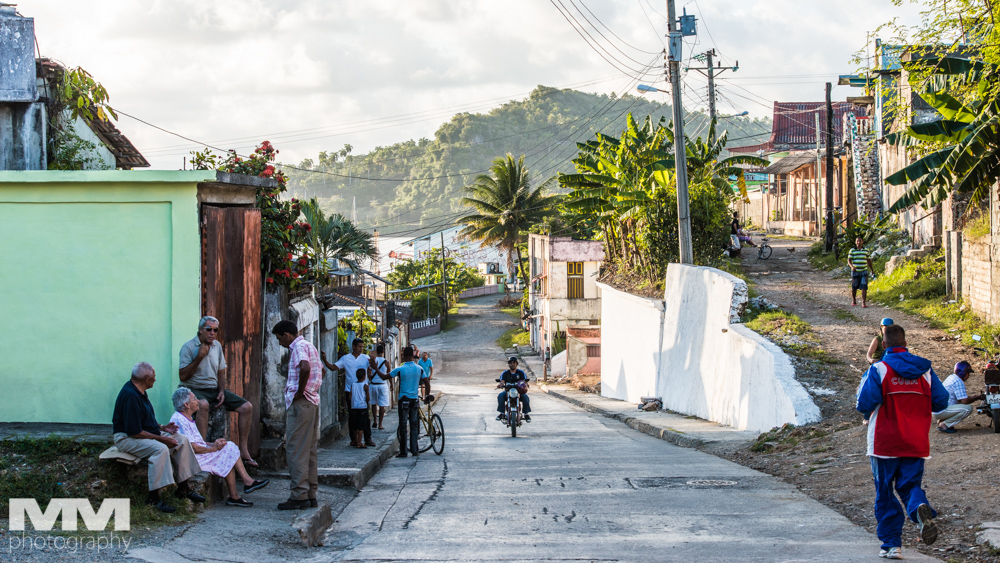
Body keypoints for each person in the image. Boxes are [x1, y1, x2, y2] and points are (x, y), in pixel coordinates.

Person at [856, 324, 949, 559]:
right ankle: (918, 510)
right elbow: (941, 402)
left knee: (885, 492)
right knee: (909, 487)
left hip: (883, 443)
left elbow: (864, 404)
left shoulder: (879, 369)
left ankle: (891, 545)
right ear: (906, 343)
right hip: (915, 442)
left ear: (884, 345)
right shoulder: (925, 371)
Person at [112, 362, 204, 513]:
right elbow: (134, 431)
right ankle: (153, 499)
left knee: (181, 439)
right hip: (126, 438)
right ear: (146, 378)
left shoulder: (140, 391)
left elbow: (144, 420)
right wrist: (162, 438)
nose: (155, 379)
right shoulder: (130, 395)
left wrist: (163, 428)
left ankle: (183, 488)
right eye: (153, 376)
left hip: (142, 433)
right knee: (160, 449)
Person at [169, 387, 270, 507]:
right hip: (193, 459)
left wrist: (214, 444)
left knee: (227, 447)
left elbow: (199, 442)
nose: (198, 401)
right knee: (228, 449)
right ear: (186, 404)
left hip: (199, 454)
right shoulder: (179, 420)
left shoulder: (188, 418)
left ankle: (237, 493)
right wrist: (214, 449)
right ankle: (244, 485)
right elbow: (192, 448)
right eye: (195, 399)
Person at [178, 316, 257, 467]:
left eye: (215, 330)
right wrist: (199, 357)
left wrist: (221, 390)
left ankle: (244, 450)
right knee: (203, 404)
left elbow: (221, 371)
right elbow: (182, 375)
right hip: (194, 388)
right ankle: (201, 449)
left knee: (247, 407)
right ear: (200, 330)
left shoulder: (217, 346)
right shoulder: (188, 347)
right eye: (209, 329)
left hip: (213, 389)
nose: (212, 333)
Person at [272, 320, 323, 510]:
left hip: (301, 403)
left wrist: (300, 392)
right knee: (309, 450)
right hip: (312, 402)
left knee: (295, 450)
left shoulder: (298, 347)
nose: (280, 343)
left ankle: (299, 495)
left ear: (287, 335)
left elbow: (304, 367)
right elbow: (321, 371)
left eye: (280, 339)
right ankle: (310, 493)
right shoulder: (310, 345)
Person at [322, 338, 376, 447]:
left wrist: (373, 363)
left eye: (362, 347)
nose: (361, 349)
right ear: (354, 346)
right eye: (359, 347)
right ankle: (354, 439)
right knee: (352, 416)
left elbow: (372, 369)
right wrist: (325, 360)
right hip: (350, 391)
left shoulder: (365, 358)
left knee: (365, 416)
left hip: (363, 391)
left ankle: (367, 438)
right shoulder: (346, 359)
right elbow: (333, 367)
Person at [390, 346, 430, 458]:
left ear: (403, 355)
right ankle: (414, 450)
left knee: (403, 425)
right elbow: (427, 383)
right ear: (413, 355)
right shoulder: (419, 368)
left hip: (403, 400)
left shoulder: (400, 369)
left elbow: (385, 376)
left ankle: (403, 451)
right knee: (414, 425)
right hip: (414, 400)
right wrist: (426, 395)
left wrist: (376, 368)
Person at [932, 361, 984, 433]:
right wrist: (977, 397)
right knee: (968, 409)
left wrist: (974, 397)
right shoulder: (958, 381)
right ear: (963, 372)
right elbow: (964, 401)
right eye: (968, 373)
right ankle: (945, 424)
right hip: (942, 410)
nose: (968, 375)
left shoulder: (951, 377)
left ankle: (942, 420)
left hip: (937, 409)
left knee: (959, 404)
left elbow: (959, 398)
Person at [496, 357, 531, 422]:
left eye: (513, 362)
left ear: (516, 364)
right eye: (510, 363)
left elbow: (524, 380)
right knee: (500, 396)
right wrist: (501, 384)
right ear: (508, 364)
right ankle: (502, 413)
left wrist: (526, 383)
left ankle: (526, 414)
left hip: (519, 391)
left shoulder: (521, 372)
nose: (512, 364)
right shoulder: (505, 373)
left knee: (525, 398)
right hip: (508, 391)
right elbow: (502, 380)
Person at [368, 344, 391, 430]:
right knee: (382, 406)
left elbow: (368, 374)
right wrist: (391, 384)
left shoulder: (373, 361)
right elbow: (389, 374)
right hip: (382, 385)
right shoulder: (386, 362)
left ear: (376, 352)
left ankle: (375, 421)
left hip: (373, 385)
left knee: (374, 404)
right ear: (383, 352)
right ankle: (380, 424)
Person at [849, 236, 875, 308]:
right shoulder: (852, 250)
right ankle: (854, 299)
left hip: (864, 271)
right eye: (857, 241)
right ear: (855, 242)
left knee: (864, 286)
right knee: (854, 286)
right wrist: (852, 266)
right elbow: (849, 260)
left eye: (860, 241)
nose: (858, 242)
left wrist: (872, 270)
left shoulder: (866, 251)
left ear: (862, 242)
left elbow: (869, 261)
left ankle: (863, 302)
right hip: (855, 271)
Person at [347, 369, 370, 449]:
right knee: (361, 426)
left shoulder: (353, 385)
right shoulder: (365, 386)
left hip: (354, 407)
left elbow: (350, 397)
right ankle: (360, 442)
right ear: (364, 376)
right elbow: (368, 398)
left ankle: (356, 440)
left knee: (355, 425)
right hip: (362, 407)